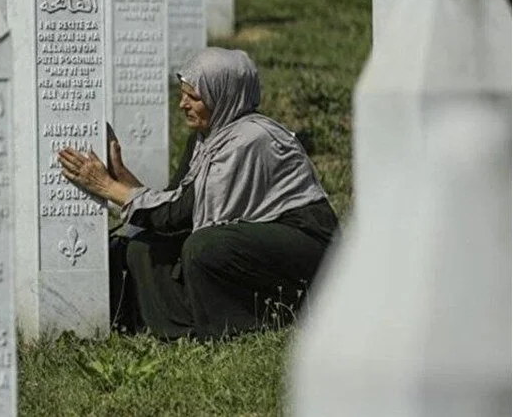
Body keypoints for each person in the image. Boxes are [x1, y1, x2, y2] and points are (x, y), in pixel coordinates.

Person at [57, 47, 338, 340]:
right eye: (183, 94)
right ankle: (179, 330)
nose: (182, 104)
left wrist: (108, 187)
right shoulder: (208, 138)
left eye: (194, 97)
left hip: (305, 245)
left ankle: (252, 322)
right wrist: (121, 177)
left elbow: (179, 214)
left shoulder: (250, 140)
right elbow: (174, 202)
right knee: (143, 245)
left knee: (204, 246)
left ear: (222, 95)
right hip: (254, 235)